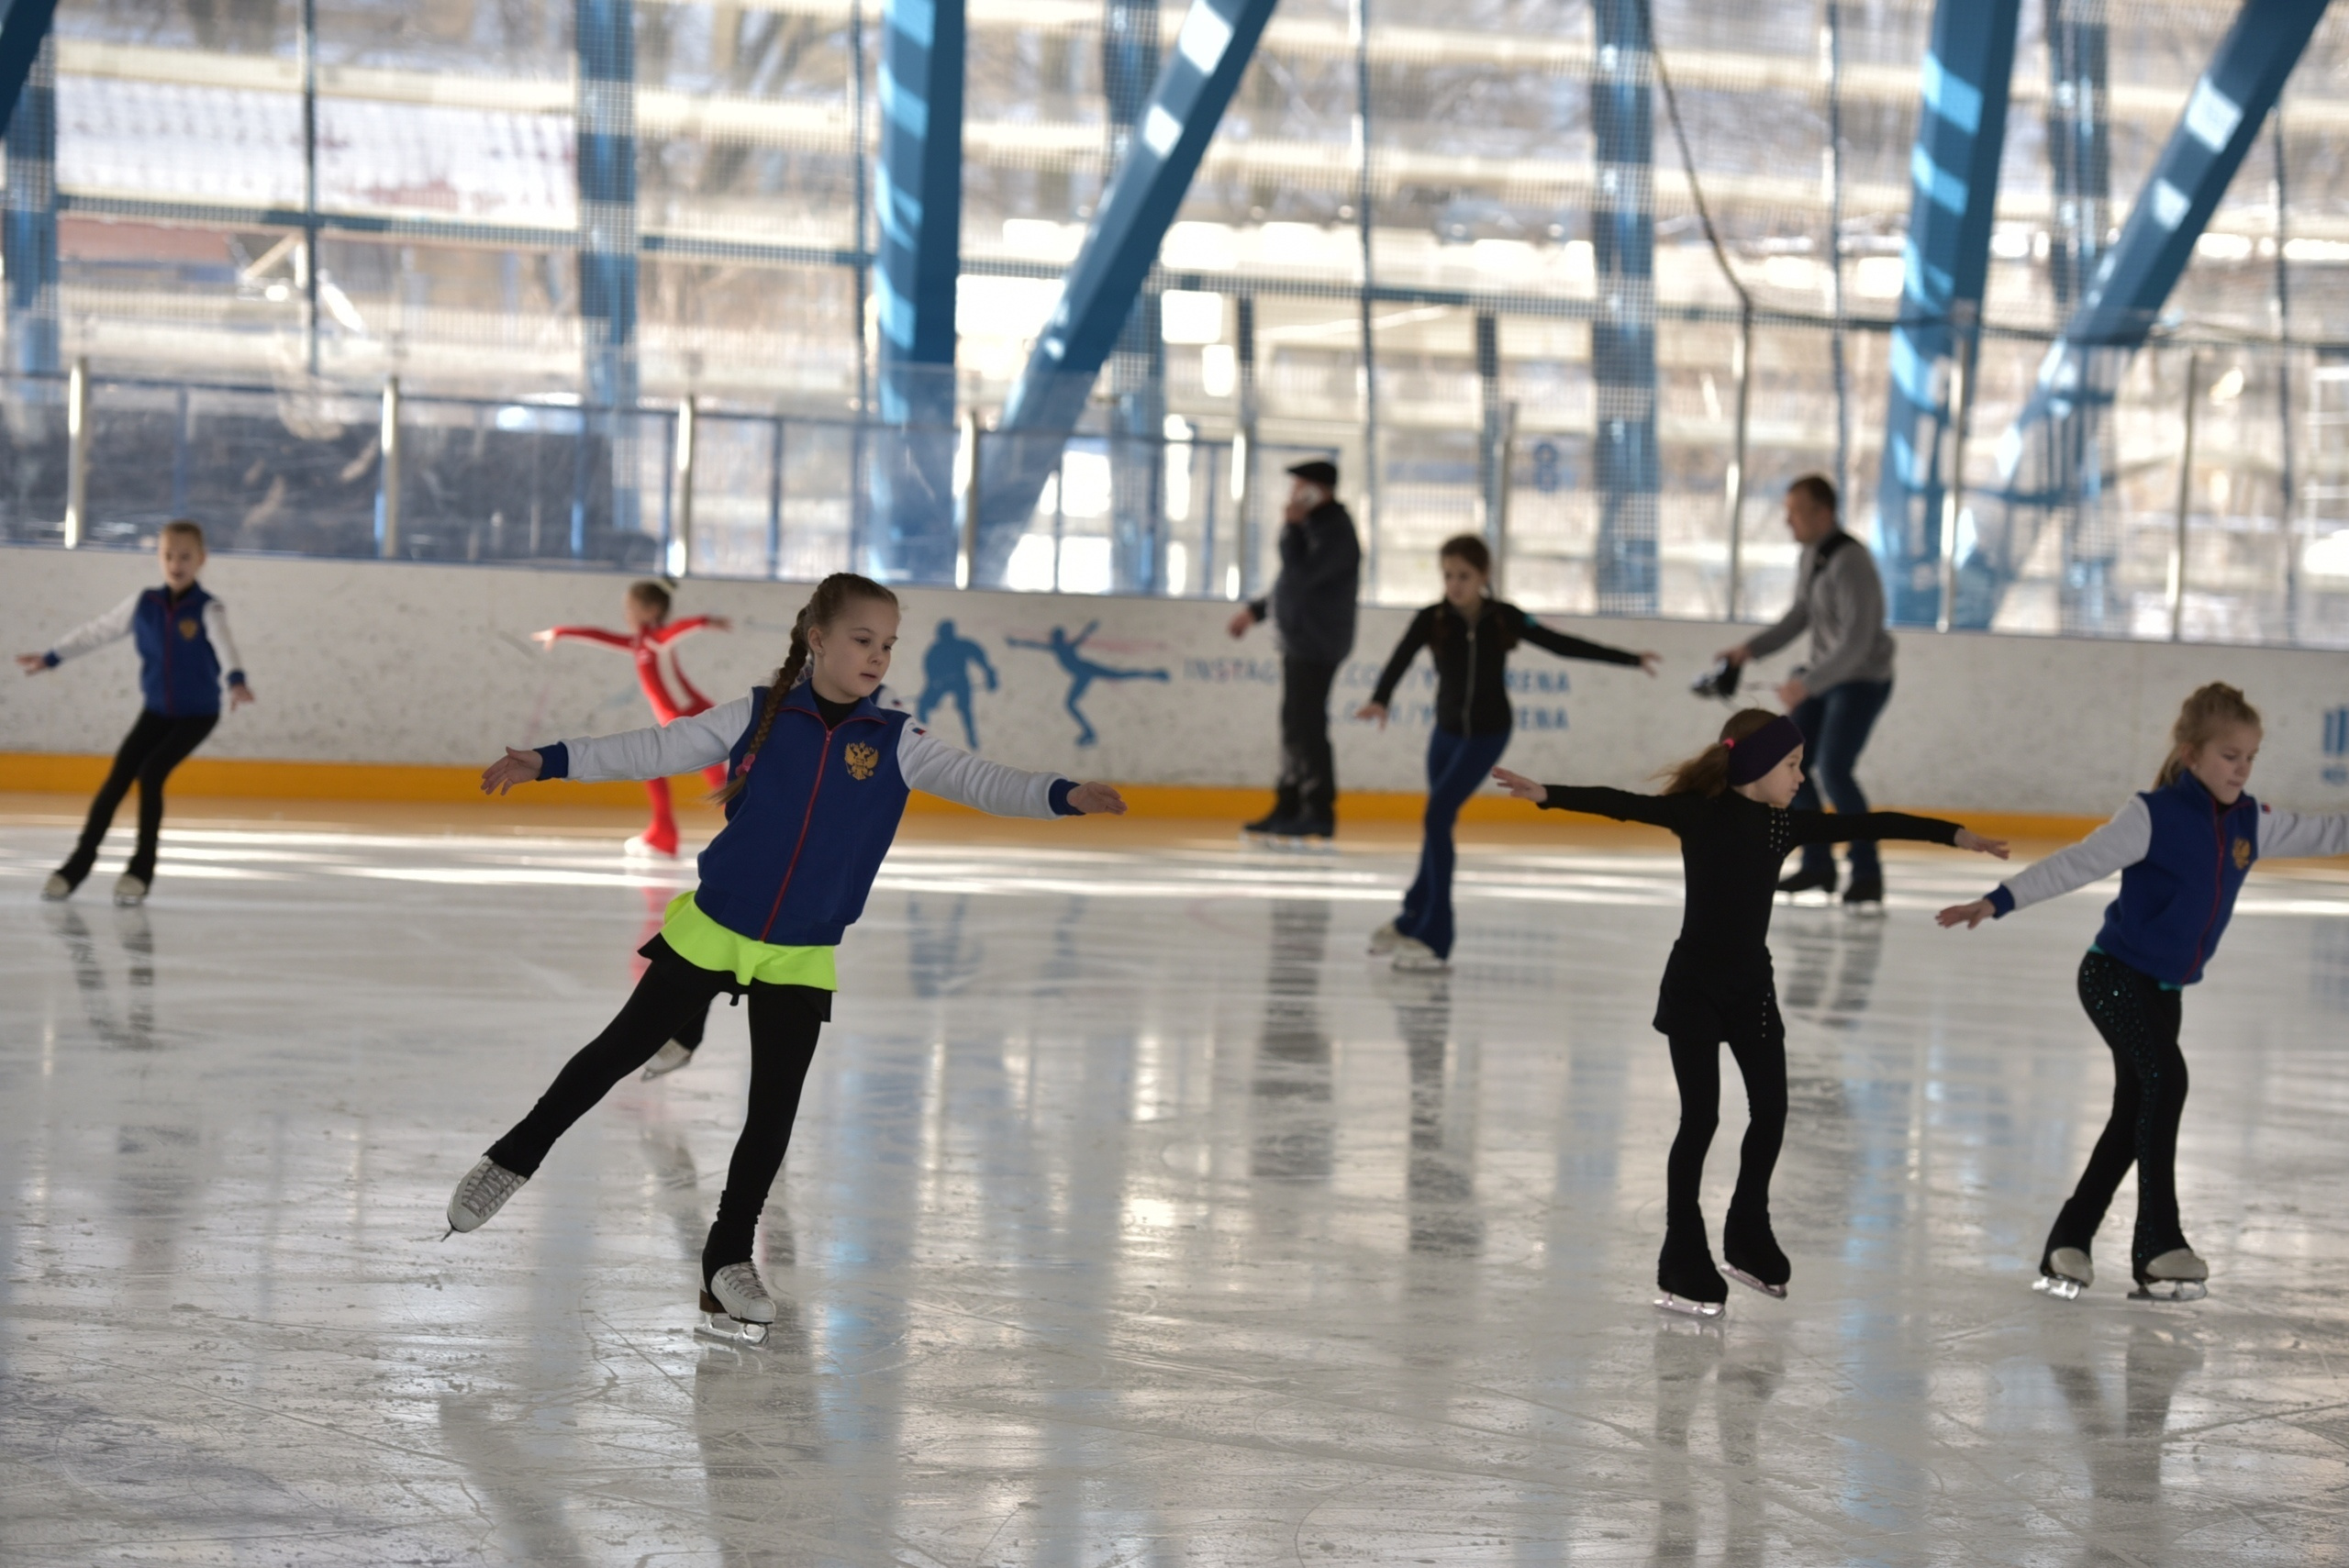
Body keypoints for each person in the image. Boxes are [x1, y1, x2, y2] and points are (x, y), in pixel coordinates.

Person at [446, 573, 1128, 1344]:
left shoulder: (896, 739)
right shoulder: (757, 715)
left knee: (773, 1109)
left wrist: (1061, 792)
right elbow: (655, 747)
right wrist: (551, 758)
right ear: (820, 640)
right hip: (718, 922)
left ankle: (727, 1257)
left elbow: (983, 779)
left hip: (800, 947)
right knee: (614, 1053)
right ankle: (512, 1157)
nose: (878, 656)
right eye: (863, 640)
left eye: (888, 644)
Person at [1494, 710, 2005, 1317]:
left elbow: (1873, 822)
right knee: (1701, 1118)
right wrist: (1549, 794)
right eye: (1790, 764)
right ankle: (1683, 1252)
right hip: (1694, 991)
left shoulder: (1781, 826)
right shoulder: (1698, 813)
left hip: (1751, 989)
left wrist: (1953, 834)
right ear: (1756, 765)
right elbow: (1623, 805)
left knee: (1772, 1108)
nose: (1801, 774)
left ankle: (1747, 1231)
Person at [1938, 683, 2348, 1303]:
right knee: (2168, 1080)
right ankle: (2158, 1244)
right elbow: (2077, 862)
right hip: (2112, 977)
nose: (2241, 768)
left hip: (2164, 991)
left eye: (2250, 757)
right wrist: (1997, 901)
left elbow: (2327, 833)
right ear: (2192, 754)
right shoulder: (2152, 814)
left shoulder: (2250, 821)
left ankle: (2067, 1241)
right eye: (2229, 755)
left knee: (2135, 1113)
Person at [1357, 534, 1661, 970]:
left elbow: (1563, 645)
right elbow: (1400, 658)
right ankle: (1410, 918)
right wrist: (1381, 698)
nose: (1454, 584)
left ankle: (1435, 936)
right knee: (1436, 820)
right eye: (1448, 575)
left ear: (1484, 576)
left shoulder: (1504, 618)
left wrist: (1629, 659)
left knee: (1437, 816)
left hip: (1487, 734)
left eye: (1464, 575)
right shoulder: (1433, 618)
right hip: (1444, 735)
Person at [17, 518, 254, 906]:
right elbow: (98, 630)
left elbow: (225, 645)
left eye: (185, 556)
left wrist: (236, 680)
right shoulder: (144, 604)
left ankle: (140, 871)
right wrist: (52, 656)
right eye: (168, 555)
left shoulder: (208, 609)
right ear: (159, 558)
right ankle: (75, 867)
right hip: (156, 712)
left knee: (151, 772)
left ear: (201, 560)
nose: (176, 563)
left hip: (197, 715)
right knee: (116, 780)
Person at [1717, 475, 1898, 906]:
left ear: (1824, 513)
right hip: (1823, 677)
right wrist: (1750, 650)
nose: (1787, 520)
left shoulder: (1852, 562)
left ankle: (1867, 873)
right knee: (1789, 766)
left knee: (1834, 770)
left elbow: (1859, 640)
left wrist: (1806, 685)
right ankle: (1817, 866)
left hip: (1860, 680)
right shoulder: (1814, 556)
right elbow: (1800, 615)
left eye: (1795, 511)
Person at [534, 580, 731, 862]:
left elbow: (676, 630)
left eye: (631, 608)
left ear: (651, 610)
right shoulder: (638, 642)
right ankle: (665, 834)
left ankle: (671, 836)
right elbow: (599, 635)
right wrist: (561, 632)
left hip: (689, 718)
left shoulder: (656, 639)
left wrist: (702, 621)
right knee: (691, 777)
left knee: (713, 782)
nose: (625, 613)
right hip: (685, 720)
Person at [1227, 459, 1362, 841]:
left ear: (1318, 490)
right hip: (1300, 639)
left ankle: (1317, 809)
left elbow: (1302, 578)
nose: (1291, 495)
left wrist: (1290, 528)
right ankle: (1288, 804)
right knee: (1294, 726)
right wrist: (1256, 611)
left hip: (1317, 643)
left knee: (1307, 727)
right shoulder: (1316, 527)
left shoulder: (1336, 532)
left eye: (1299, 486)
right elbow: (1289, 581)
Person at [1004, 620, 1170, 748]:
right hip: (1084, 672)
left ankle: (1155, 674)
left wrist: (1016, 643)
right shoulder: (1060, 646)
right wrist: (1090, 628)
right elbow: (1076, 639)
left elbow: (1038, 645)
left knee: (1112, 678)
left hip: (1085, 671)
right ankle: (1089, 732)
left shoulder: (1059, 647)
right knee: (1075, 701)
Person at [916, 617, 998, 751]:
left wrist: (989, 673)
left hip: (959, 682)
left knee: (964, 709)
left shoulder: (956, 646)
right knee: (924, 705)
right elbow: (929, 667)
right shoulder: (938, 649)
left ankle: (971, 736)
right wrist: (933, 682)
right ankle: (921, 734)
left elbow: (980, 656)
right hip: (942, 683)